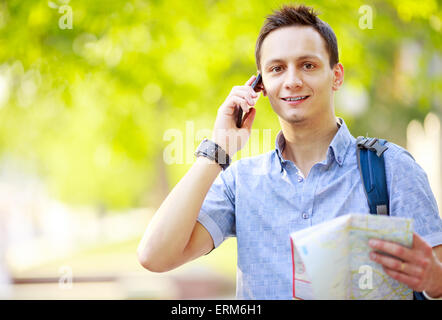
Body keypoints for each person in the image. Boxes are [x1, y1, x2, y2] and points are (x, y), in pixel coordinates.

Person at [138, 4, 442, 299]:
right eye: (276, 69)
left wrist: (432, 280)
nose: (292, 81)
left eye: (307, 65)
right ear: (260, 85)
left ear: (336, 76)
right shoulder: (241, 182)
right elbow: (155, 256)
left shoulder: (392, 168)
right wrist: (218, 149)